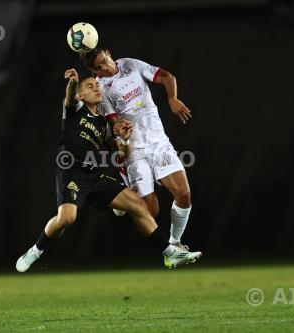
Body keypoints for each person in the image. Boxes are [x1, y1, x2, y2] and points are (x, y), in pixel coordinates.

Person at [16, 68, 200, 273]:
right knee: (67, 219)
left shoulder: (104, 124)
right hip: (72, 170)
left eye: (97, 86)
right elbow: (69, 97)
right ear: (81, 94)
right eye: (90, 86)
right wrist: (74, 82)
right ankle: (36, 250)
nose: (96, 88)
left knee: (139, 206)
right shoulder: (75, 109)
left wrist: (125, 138)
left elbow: (122, 154)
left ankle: (170, 253)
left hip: (93, 173)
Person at [81, 49, 200, 257]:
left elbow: (166, 76)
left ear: (109, 54)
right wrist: (120, 129)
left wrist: (172, 98)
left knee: (184, 194)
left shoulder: (130, 64)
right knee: (149, 212)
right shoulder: (102, 88)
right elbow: (113, 122)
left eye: (104, 61)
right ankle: (124, 198)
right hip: (135, 151)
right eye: (98, 68)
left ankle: (175, 244)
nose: (104, 68)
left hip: (159, 143)